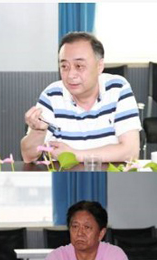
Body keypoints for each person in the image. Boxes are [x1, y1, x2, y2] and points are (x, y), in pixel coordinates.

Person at [20, 32, 141, 163]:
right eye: (64, 66)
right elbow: (28, 156)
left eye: (79, 66)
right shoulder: (52, 95)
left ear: (99, 66)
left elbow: (131, 152)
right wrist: (38, 131)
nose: (71, 75)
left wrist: (74, 155)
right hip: (65, 173)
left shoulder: (117, 88)